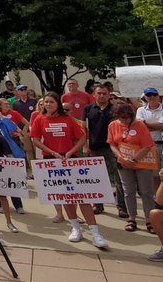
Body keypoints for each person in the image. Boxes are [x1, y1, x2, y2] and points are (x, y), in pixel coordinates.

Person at [31, 89, 108, 248]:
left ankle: (95, 232)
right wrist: (52, 152)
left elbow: (82, 137)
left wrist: (71, 152)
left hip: (70, 159)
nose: (48, 104)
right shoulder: (40, 119)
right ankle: (75, 228)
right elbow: (35, 140)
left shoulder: (67, 119)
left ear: (57, 104)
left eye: (51, 102)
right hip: (52, 160)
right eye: (46, 102)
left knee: (82, 197)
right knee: (65, 197)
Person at [107, 102, 158, 232]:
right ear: (117, 116)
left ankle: (150, 220)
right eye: (122, 118)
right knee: (128, 191)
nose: (126, 120)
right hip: (123, 163)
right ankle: (132, 218)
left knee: (146, 192)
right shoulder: (112, 125)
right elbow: (112, 144)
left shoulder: (140, 125)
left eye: (128, 117)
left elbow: (147, 145)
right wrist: (120, 157)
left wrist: (134, 159)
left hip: (142, 162)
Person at [83, 84, 127, 218]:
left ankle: (122, 207)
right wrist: (85, 146)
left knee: (119, 178)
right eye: (99, 93)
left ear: (109, 95)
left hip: (113, 148)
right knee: (97, 178)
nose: (102, 96)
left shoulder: (115, 109)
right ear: (94, 95)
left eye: (104, 93)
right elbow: (84, 129)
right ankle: (98, 204)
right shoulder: (88, 109)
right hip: (95, 147)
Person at [0, 103, 26, 213]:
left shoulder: (2, 122)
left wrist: (2, 117)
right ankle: (2, 204)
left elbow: (13, 128)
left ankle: (18, 205)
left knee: (12, 179)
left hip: (8, 153)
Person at [136, 88, 163, 169]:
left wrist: (146, 123)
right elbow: (140, 127)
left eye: (154, 94)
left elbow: (162, 126)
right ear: (145, 97)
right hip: (148, 146)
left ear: (158, 96)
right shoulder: (140, 110)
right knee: (153, 173)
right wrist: (158, 126)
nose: (152, 97)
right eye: (149, 95)